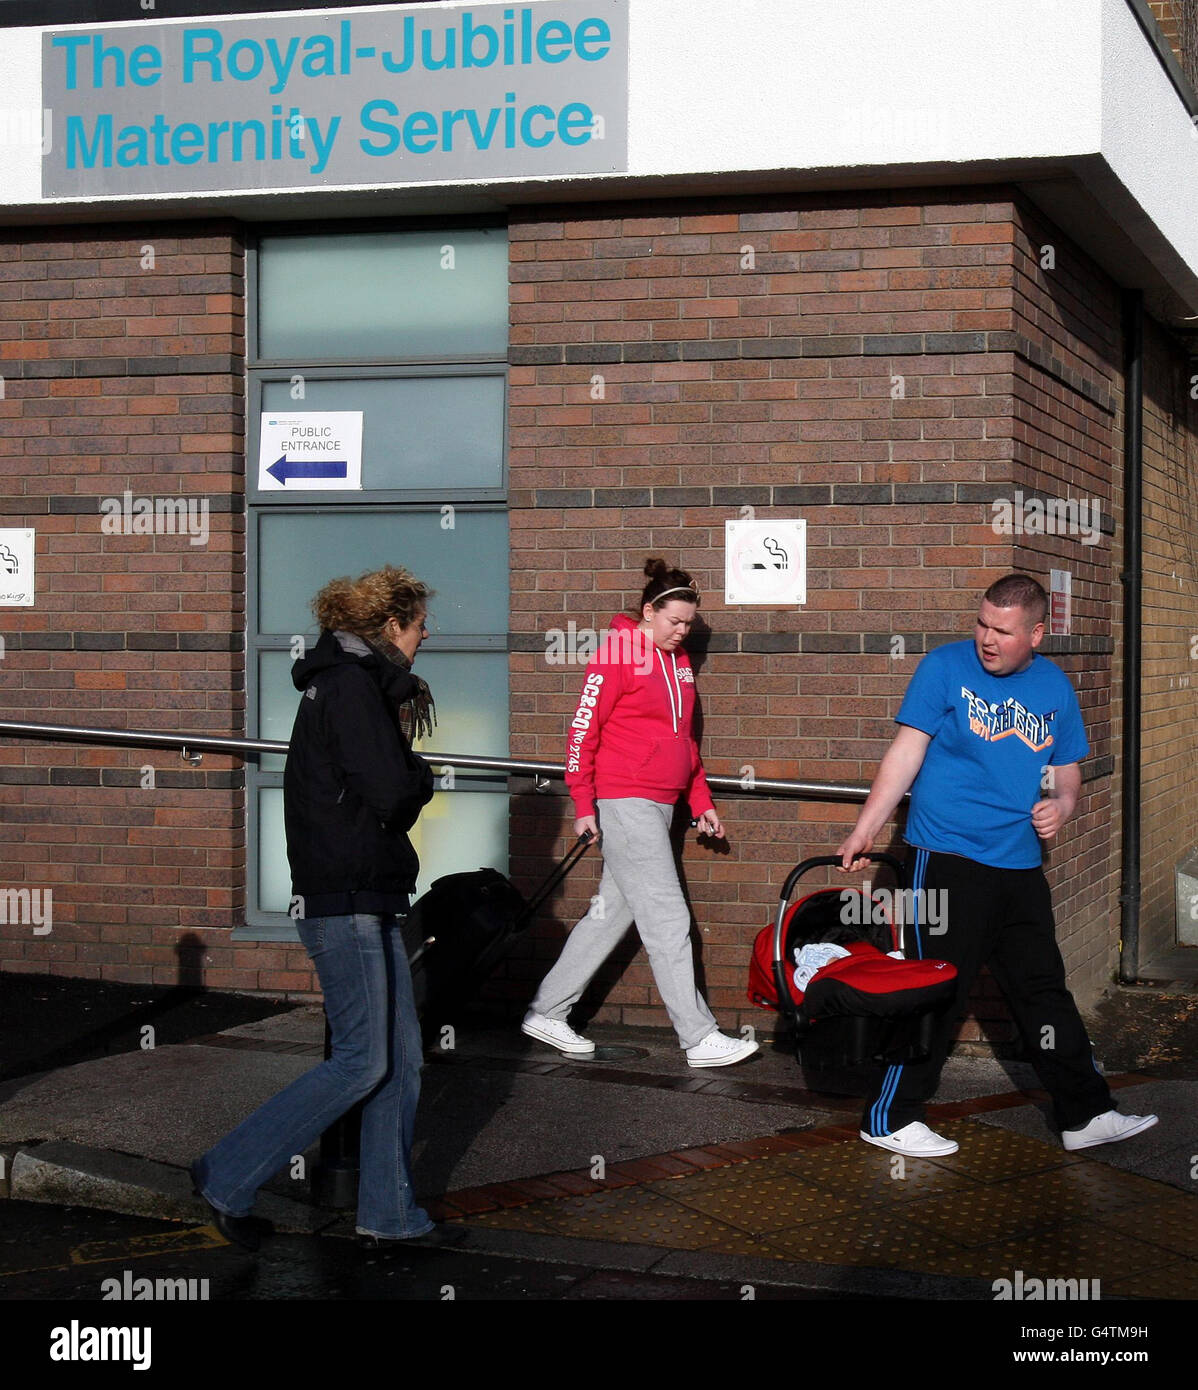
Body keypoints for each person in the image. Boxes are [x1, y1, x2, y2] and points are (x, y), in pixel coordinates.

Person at [836, 573, 1157, 1156]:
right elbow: (906, 751)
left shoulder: (1054, 687)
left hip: (1018, 865)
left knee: (1043, 990)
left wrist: (1061, 804)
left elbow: (1065, 768)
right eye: (982, 623)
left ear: (1036, 633)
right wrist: (866, 827)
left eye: (1003, 631)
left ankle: (1085, 1114)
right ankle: (889, 1117)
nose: (987, 638)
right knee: (938, 988)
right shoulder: (944, 667)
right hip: (947, 857)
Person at [191, 564, 449, 1250]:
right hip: (347, 899)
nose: (429, 634)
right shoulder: (351, 688)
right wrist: (421, 773)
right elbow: (393, 792)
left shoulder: (351, 685)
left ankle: (390, 1213)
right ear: (390, 626)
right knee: (365, 1060)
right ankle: (227, 1172)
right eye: (420, 623)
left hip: (368, 895)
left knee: (402, 1061)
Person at [523, 559, 758, 1068]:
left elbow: (685, 744)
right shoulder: (617, 654)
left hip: (662, 802)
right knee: (669, 917)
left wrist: (701, 803)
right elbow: (582, 731)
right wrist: (584, 803)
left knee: (611, 915)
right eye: (674, 621)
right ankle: (698, 1038)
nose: (681, 631)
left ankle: (547, 1011)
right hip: (625, 798)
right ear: (649, 611)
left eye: (689, 624)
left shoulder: (678, 663)